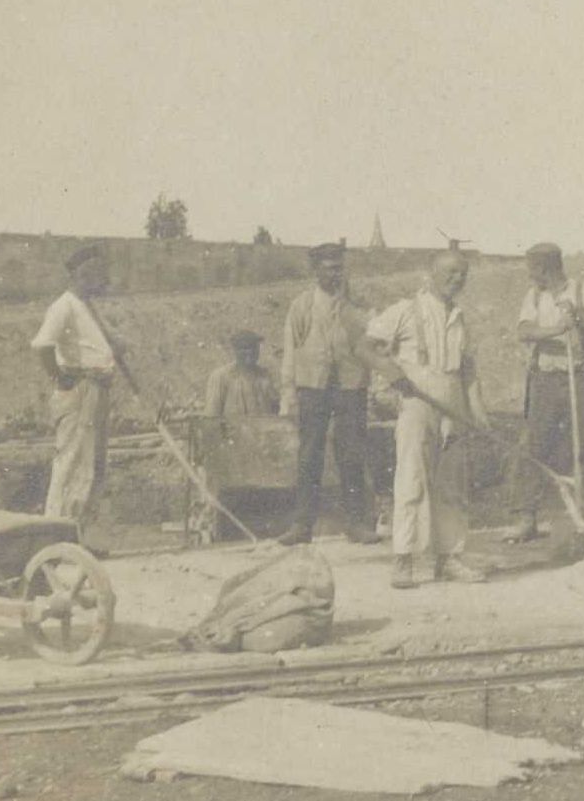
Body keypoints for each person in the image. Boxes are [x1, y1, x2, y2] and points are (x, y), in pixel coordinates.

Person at [366, 251, 486, 589]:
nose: (456, 279)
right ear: (430, 274)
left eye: (462, 273)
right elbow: (365, 346)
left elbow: (468, 369)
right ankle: (403, 560)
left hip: (452, 402)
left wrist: (477, 412)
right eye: (449, 272)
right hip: (416, 401)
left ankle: (449, 558)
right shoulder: (405, 310)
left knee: (451, 483)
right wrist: (393, 374)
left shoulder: (460, 318)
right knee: (412, 478)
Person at [278, 243, 379, 546]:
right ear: (316, 270)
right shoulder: (302, 306)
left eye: (340, 267)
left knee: (351, 455)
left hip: (351, 386)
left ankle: (356, 523)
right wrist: (289, 394)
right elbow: (290, 350)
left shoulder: (357, 304)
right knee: (309, 455)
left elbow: (374, 341)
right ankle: (302, 525)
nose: (336, 273)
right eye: (330, 267)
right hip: (313, 386)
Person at [515, 243, 584, 540]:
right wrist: (558, 329)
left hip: (579, 378)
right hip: (545, 380)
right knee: (535, 446)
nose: (530, 276)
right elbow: (524, 331)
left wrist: (580, 319)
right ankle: (526, 516)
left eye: (533, 270)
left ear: (545, 269)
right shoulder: (534, 296)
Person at [30, 245, 119, 525]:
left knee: (93, 464)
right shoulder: (63, 306)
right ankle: (57, 530)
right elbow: (43, 345)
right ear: (83, 273)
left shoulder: (87, 306)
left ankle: (84, 534)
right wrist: (59, 377)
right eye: (97, 273)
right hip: (80, 390)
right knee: (71, 462)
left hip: (98, 390)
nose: (102, 279)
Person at [204, 330, 281, 418]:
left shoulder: (267, 376)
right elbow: (212, 416)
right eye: (244, 348)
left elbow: (278, 412)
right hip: (232, 430)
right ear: (235, 350)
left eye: (253, 347)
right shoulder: (221, 377)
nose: (250, 352)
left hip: (263, 430)